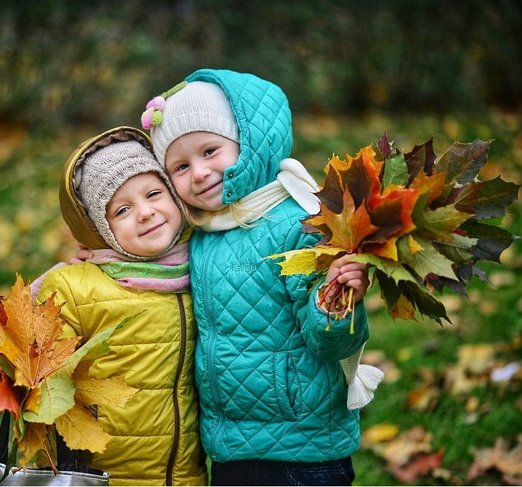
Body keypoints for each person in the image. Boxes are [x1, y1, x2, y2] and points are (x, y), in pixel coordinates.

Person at [138, 69, 384, 486]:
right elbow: (145, 254)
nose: (198, 172)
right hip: (230, 445)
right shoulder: (200, 231)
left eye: (210, 151)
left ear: (247, 143)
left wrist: (338, 298)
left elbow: (331, 343)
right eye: (180, 166)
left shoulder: (297, 224)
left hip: (301, 447)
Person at [35, 126, 207, 486]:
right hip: (99, 473)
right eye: (123, 209)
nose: (145, 212)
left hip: (187, 473)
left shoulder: (205, 269)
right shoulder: (73, 287)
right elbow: (38, 385)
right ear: (100, 227)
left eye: (154, 193)